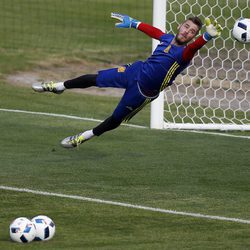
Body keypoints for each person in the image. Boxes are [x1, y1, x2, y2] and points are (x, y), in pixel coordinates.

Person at [32, 13, 222, 148]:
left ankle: (83, 137)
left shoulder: (184, 54)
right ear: (180, 25)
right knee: (94, 78)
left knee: (115, 119)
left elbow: (193, 48)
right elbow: (154, 32)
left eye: (192, 31)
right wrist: (134, 23)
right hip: (135, 71)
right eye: (186, 26)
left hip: (143, 92)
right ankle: (58, 86)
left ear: (193, 36)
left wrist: (206, 37)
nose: (187, 32)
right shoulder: (167, 38)